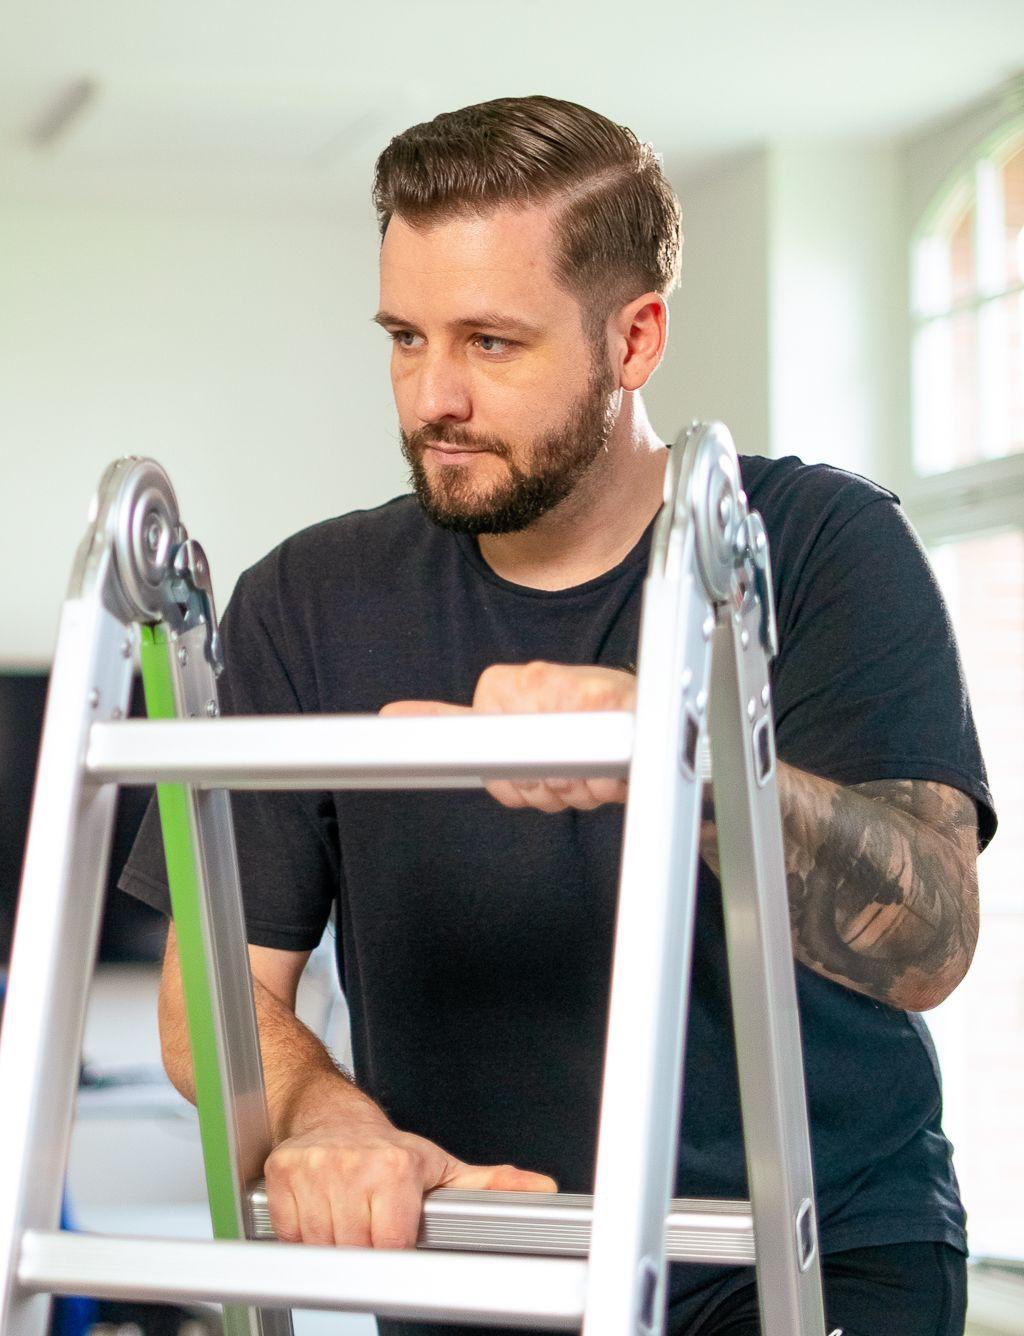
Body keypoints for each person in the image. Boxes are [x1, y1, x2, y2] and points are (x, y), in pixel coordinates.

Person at [120, 96, 991, 1336]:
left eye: (489, 342)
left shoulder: (808, 546)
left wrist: (676, 756)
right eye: (404, 338)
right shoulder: (306, 603)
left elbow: (931, 940)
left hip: (802, 1252)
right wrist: (328, 1117)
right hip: (479, 1247)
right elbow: (206, 998)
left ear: (633, 338)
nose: (433, 398)